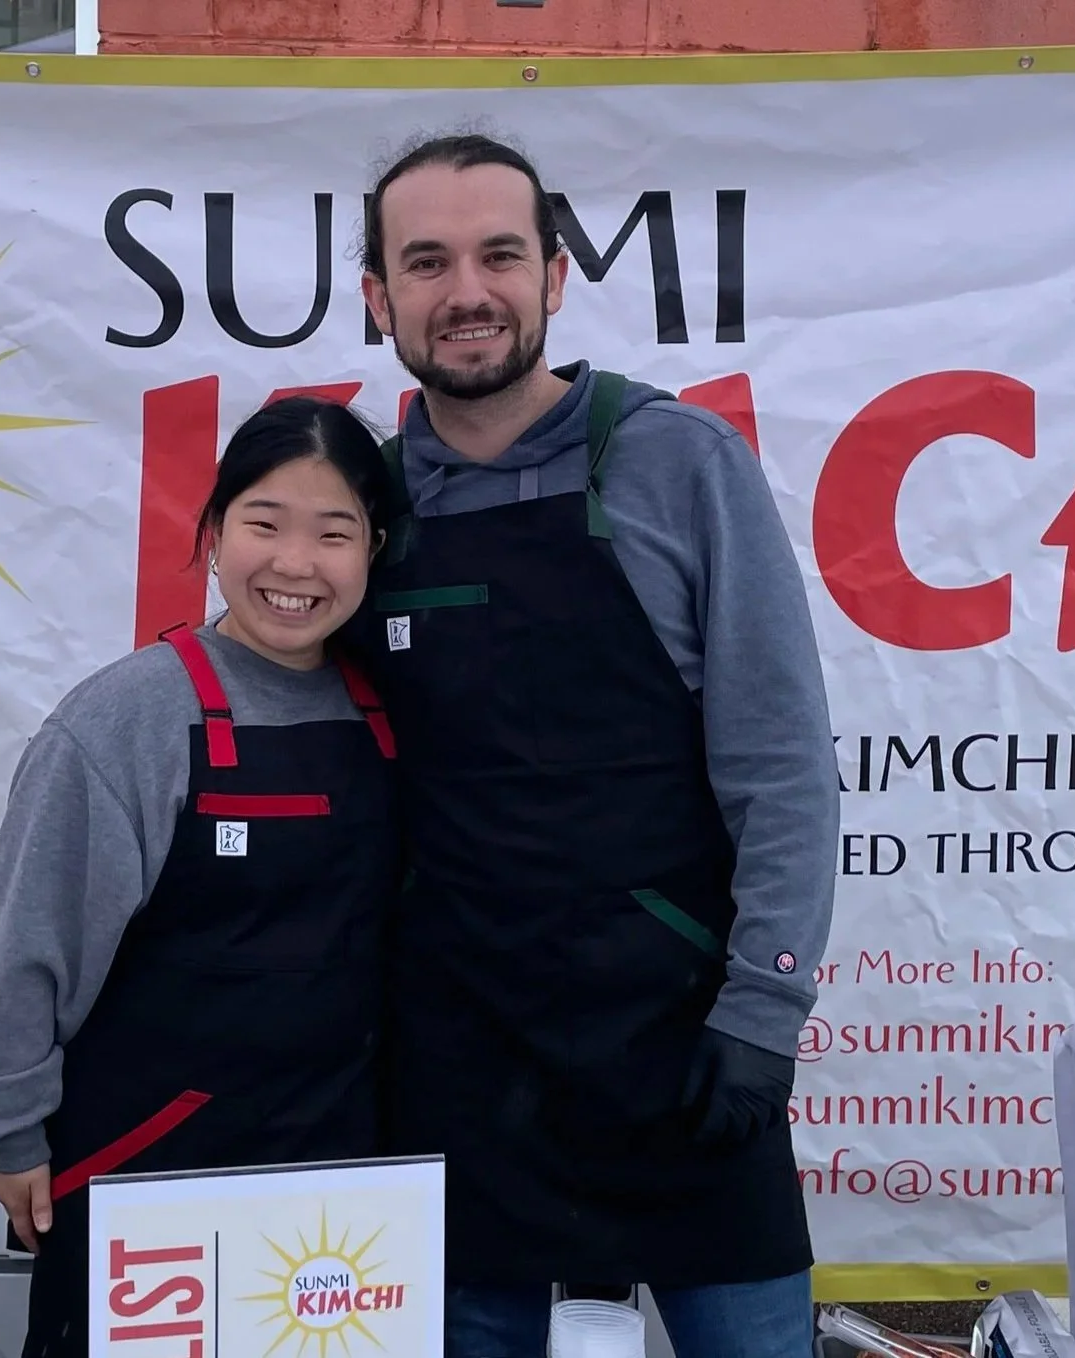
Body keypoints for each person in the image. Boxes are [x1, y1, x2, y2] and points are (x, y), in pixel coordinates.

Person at [354, 133, 841, 1357]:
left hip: (682, 1052)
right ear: (380, 299)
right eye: (426, 261)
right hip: (457, 1072)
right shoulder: (356, 508)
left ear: (555, 276)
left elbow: (782, 764)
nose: (466, 290)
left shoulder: (678, 462)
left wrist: (763, 1010)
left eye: (499, 253)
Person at [0, 397, 402, 1358]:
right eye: (265, 523)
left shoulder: (395, 710)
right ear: (215, 528)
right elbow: (28, 940)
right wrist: (11, 1131)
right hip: (147, 1168)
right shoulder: (129, 720)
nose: (295, 564)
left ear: (375, 548)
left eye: (334, 533)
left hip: (345, 1181)